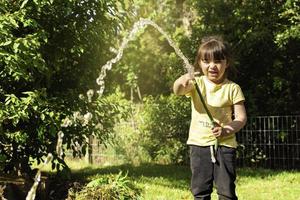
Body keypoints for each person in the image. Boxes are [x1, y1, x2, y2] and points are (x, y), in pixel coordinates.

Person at [173, 36, 247, 200]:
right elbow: (177, 90)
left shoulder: (232, 88)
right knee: (200, 191)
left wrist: (226, 129)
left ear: (226, 63)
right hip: (198, 145)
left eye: (218, 61)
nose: (212, 66)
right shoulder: (196, 83)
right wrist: (182, 80)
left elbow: (241, 118)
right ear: (199, 63)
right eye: (206, 61)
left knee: (226, 192)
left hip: (224, 145)